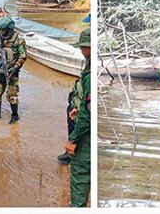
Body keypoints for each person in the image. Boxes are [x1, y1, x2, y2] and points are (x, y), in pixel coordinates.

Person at [66, 28, 91, 207]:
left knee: (80, 173)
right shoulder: (89, 66)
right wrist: (78, 108)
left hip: (86, 135)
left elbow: (88, 115)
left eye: (82, 47)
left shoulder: (90, 76)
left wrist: (73, 139)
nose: (81, 51)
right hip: (82, 118)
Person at [0, 16, 27, 123]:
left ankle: (15, 116)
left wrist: (15, 67)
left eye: (4, 30)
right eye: (1, 30)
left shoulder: (18, 39)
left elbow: (23, 56)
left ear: (9, 29)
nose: (2, 32)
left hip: (11, 73)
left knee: (12, 96)